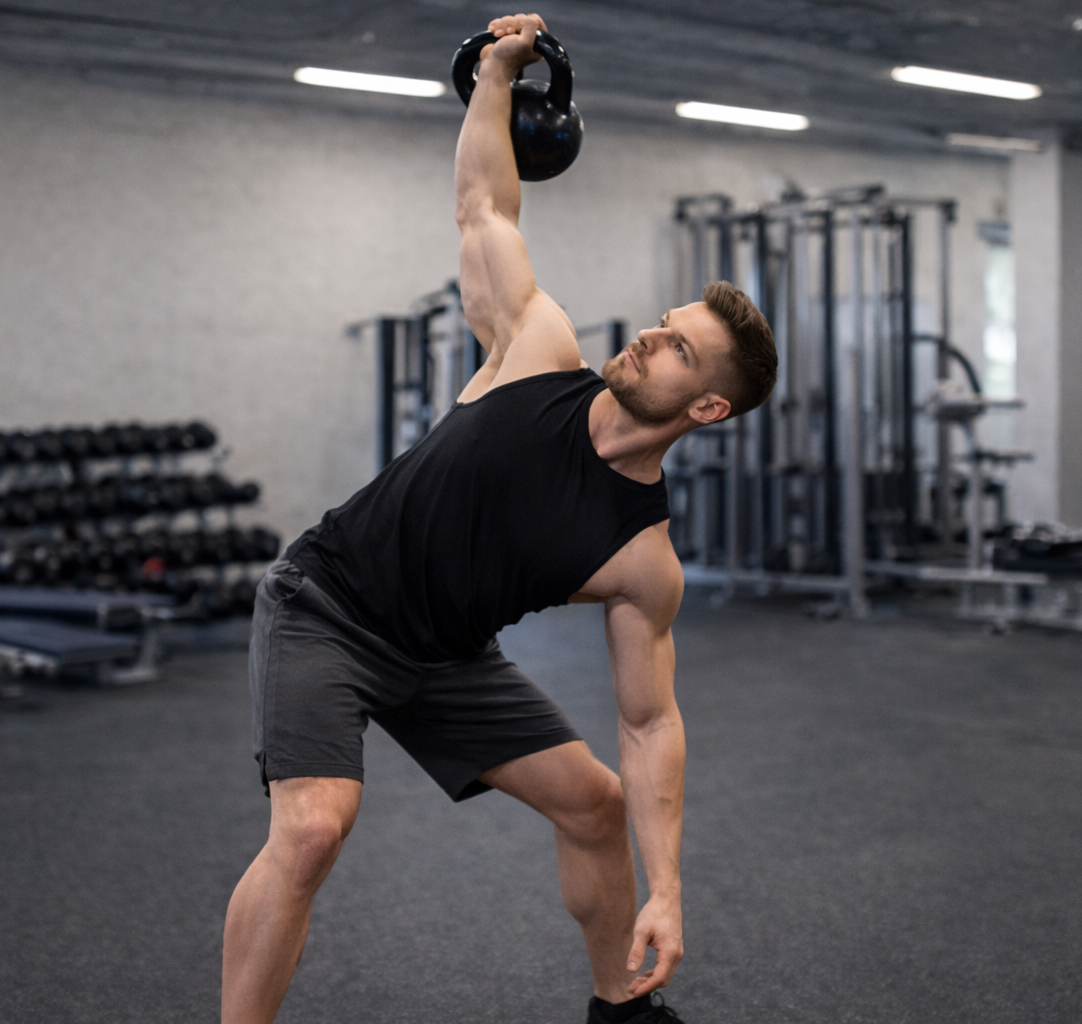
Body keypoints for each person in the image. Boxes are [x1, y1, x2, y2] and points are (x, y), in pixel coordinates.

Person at [220, 12, 777, 1024]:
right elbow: (485, 204)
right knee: (312, 829)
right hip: (328, 603)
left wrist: (669, 888)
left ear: (706, 411)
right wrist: (492, 77)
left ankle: (623, 1010)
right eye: (664, 322)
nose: (651, 335)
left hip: (441, 655)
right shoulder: (536, 348)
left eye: (679, 350)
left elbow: (651, 723)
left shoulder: (642, 556)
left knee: (597, 801)